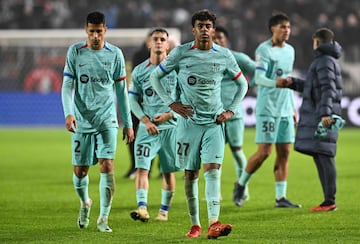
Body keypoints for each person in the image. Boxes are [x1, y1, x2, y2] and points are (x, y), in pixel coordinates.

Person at [150, 9, 248, 239]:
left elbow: (243, 84)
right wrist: (171, 104)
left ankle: (214, 222)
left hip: (214, 123)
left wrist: (230, 110)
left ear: (213, 30)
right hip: (188, 123)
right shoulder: (181, 53)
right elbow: (156, 77)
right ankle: (195, 225)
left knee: (213, 170)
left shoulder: (223, 55)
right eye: (200, 26)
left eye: (208, 26)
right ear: (193, 29)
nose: (204, 30)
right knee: (191, 174)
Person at [61, 11, 134, 232]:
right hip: (82, 120)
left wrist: (128, 123)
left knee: (107, 165)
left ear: (105, 30)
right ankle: (85, 202)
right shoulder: (75, 52)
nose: (95, 36)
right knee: (80, 171)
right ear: (86, 30)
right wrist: (69, 113)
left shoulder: (115, 54)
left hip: (106, 119)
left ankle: (103, 218)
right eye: (91, 31)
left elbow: (122, 92)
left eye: (99, 32)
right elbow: (66, 87)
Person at [233, 12, 301, 208]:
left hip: (286, 107)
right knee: (264, 152)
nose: (287, 31)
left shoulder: (290, 50)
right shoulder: (264, 50)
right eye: (283, 27)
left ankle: (280, 198)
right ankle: (241, 184)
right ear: (273, 29)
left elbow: (288, 80)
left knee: (285, 152)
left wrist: (293, 108)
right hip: (268, 108)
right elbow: (259, 79)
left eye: (288, 27)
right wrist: (276, 82)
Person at [277, 28, 343, 212]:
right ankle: (328, 200)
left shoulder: (324, 61)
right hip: (321, 113)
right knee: (321, 155)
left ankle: (330, 201)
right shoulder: (326, 61)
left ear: (317, 42)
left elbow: (328, 89)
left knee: (325, 156)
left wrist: (325, 113)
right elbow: (314, 86)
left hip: (322, 115)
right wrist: (294, 83)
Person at [128, 28, 179, 222]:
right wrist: (145, 120)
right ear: (149, 44)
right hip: (147, 129)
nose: (158, 42)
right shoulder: (140, 71)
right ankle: (142, 208)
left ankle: (163, 212)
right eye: (155, 39)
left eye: (162, 40)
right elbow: (132, 99)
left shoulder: (176, 70)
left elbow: (186, 99)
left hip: (170, 128)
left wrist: (170, 114)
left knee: (167, 172)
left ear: (167, 45)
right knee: (142, 169)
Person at [213, 26, 256, 205]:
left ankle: (243, 188)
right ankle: (215, 193)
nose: (216, 41)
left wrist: (249, 85)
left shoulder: (236, 58)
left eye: (220, 38)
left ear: (226, 40)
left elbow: (256, 69)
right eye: (214, 38)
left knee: (238, 153)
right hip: (214, 116)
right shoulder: (206, 59)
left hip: (234, 115)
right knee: (215, 156)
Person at [124, 33, 152, 179]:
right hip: (138, 99)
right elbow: (136, 77)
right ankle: (135, 166)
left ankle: (158, 168)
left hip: (155, 103)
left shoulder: (167, 59)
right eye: (153, 39)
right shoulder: (139, 56)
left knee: (158, 135)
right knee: (133, 133)